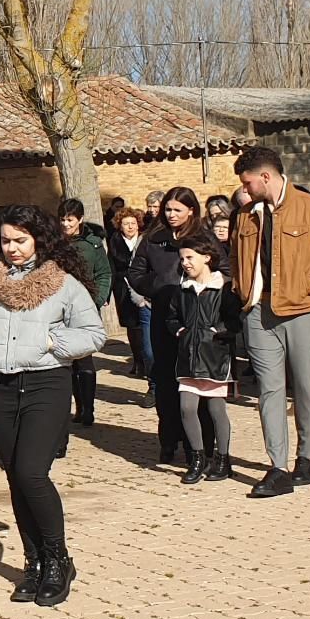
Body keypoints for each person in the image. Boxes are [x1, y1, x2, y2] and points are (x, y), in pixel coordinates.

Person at [0, 205, 104, 607]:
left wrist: (52, 343)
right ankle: (34, 562)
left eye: (20, 240)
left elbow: (93, 333)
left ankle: (58, 559)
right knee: (15, 478)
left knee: (32, 472)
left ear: (39, 239)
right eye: (6, 241)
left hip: (46, 383)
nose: (12, 249)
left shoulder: (64, 284)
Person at [230, 146, 310, 498]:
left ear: (265, 177)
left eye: (247, 182)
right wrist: (241, 292)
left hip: (301, 310)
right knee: (269, 389)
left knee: (306, 385)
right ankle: (277, 468)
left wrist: (307, 284)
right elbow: (238, 259)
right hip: (257, 311)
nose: (244, 188)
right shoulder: (246, 215)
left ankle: (306, 458)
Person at [129, 187, 220, 465]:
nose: (171, 215)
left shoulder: (205, 238)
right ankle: (169, 440)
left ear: (191, 210)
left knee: (199, 380)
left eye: (177, 210)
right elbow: (136, 273)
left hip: (199, 319)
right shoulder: (153, 239)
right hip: (163, 318)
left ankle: (205, 445)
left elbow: (223, 270)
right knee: (166, 380)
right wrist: (159, 286)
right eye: (168, 209)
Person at [168, 233, 242, 484]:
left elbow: (235, 321)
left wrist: (218, 332)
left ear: (207, 258)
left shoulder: (224, 289)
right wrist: (179, 330)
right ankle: (198, 458)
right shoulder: (183, 289)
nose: (185, 263)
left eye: (190, 257)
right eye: (182, 258)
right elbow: (172, 316)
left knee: (215, 409)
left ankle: (222, 458)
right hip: (188, 356)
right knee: (186, 407)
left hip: (214, 357)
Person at [58, 199, 112, 427]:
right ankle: (78, 406)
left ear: (79, 219)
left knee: (85, 359)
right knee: (67, 360)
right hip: (60, 308)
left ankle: (88, 408)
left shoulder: (94, 245)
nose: (65, 224)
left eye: (69, 219)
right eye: (62, 219)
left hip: (86, 307)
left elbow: (104, 273)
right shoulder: (55, 243)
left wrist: (97, 300)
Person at [108, 209, 151, 382]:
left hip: (142, 285)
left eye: (133, 223)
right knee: (132, 325)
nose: (130, 227)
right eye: (126, 224)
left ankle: (147, 360)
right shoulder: (115, 241)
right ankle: (138, 360)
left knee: (144, 323)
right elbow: (111, 266)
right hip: (123, 286)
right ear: (120, 226)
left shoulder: (145, 240)